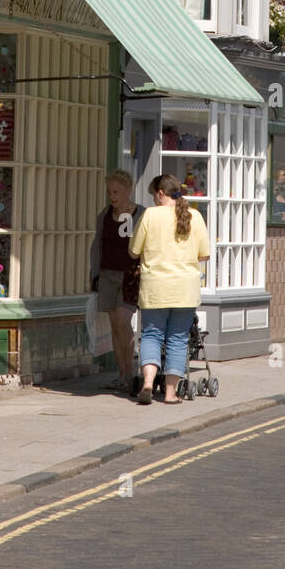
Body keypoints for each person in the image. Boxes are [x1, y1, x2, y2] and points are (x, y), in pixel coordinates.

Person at [128, 174, 211, 404]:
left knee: (152, 336)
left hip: (155, 288)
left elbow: (134, 251)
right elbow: (204, 254)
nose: (154, 199)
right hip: (185, 289)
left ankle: (147, 384)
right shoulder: (194, 216)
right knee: (177, 339)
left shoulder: (150, 215)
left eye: (154, 195)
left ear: (161, 194)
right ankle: (170, 393)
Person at [89, 170, 144, 393]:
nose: (112, 196)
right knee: (114, 326)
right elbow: (97, 246)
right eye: (109, 192)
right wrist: (94, 275)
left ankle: (131, 373)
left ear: (128, 190)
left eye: (116, 192)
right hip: (107, 274)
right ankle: (121, 375)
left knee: (123, 322)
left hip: (131, 275)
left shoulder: (141, 214)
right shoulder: (104, 215)